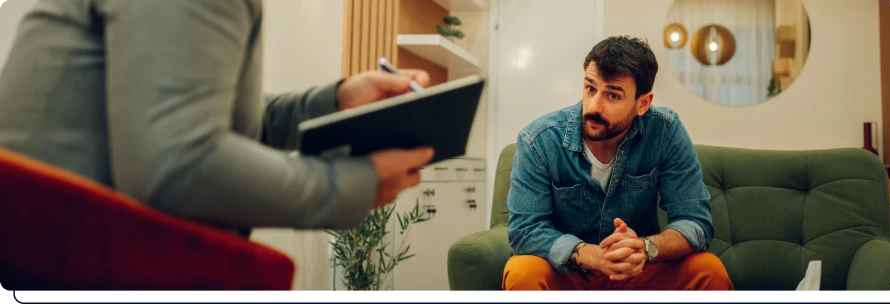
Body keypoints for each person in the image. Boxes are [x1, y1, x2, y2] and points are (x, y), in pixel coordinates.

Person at [0, 0, 433, 232]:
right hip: (62, 257)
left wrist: (335, 101)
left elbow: (211, 119)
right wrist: (356, 184)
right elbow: (177, 164)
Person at [502, 36, 734, 292]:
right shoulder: (539, 140)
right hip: (569, 271)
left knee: (708, 270)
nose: (594, 106)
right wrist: (593, 256)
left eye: (612, 95)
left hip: (638, 269)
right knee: (523, 271)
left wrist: (644, 249)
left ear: (643, 103)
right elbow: (525, 230)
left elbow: (695, 222)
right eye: (591, 88)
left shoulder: (665, 132)